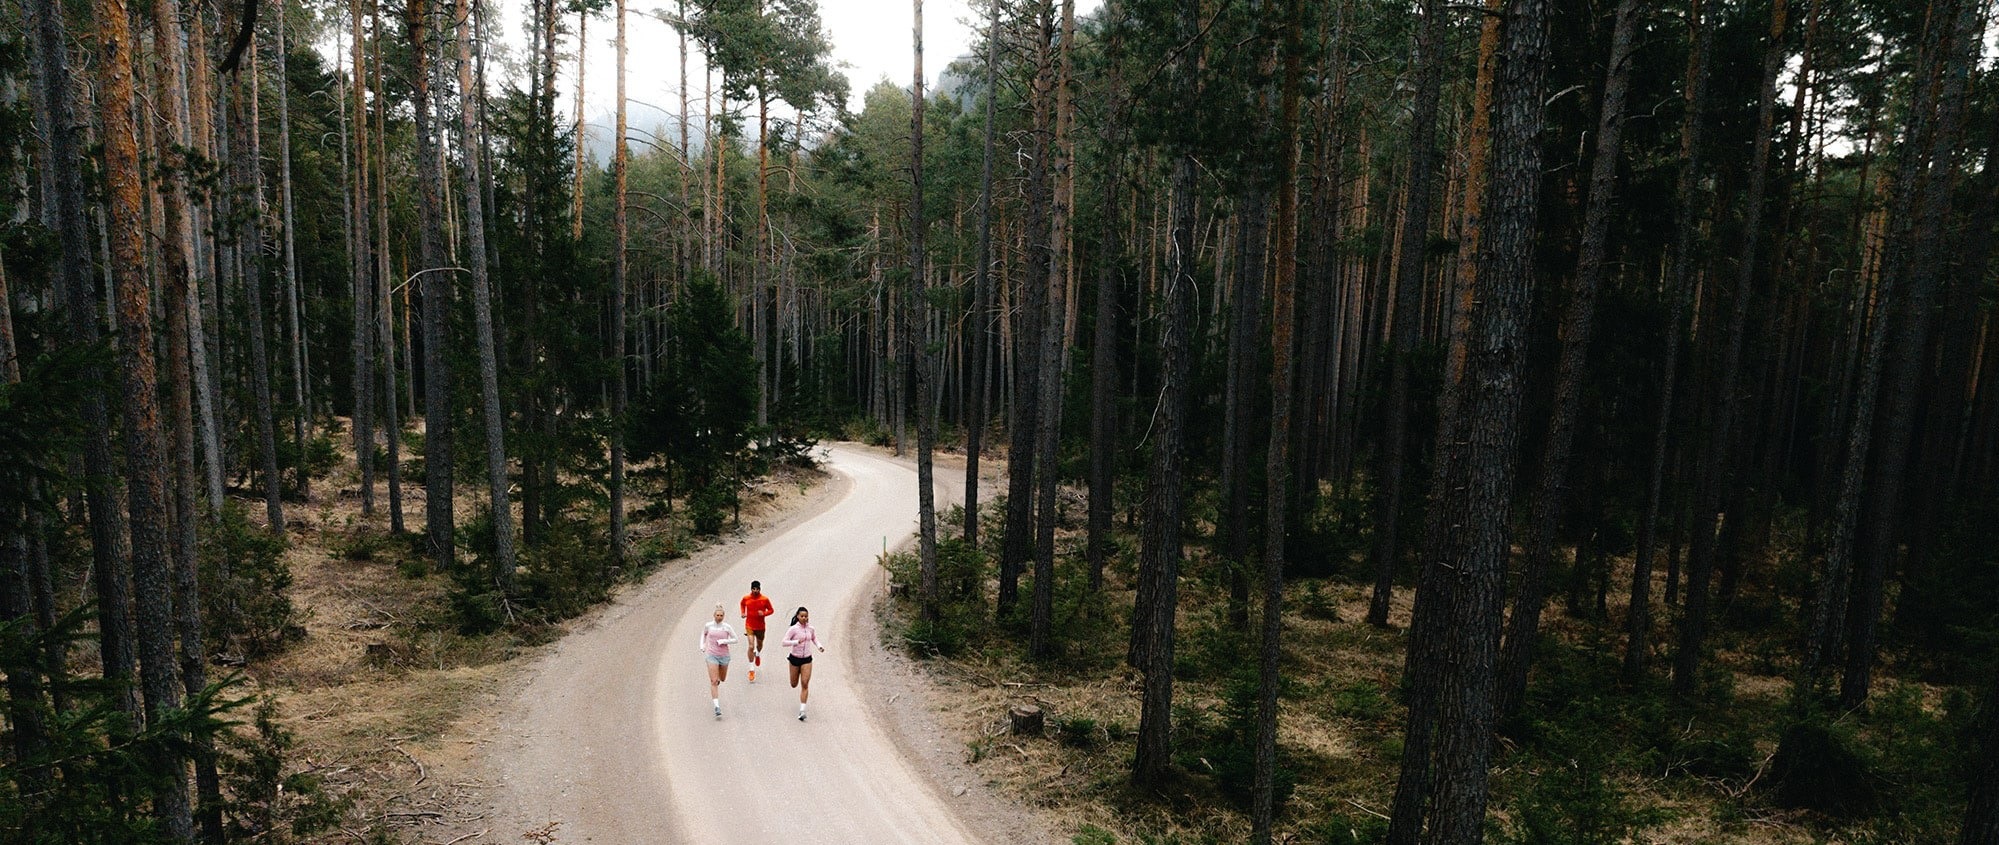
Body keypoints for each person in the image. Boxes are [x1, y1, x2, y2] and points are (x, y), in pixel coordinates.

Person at [781, 607, 826, 721]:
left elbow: (814, 638)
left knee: (805, 683)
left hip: (807, 658)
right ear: (797, 617)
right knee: (794, 683)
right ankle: (802, 708)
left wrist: (819, 646)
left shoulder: (811, 628)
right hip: (795, 658)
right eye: (802, 616)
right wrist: (796, 642)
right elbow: (784, 642)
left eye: (806, 616)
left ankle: (802, 711)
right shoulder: (793, 629)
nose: (804, 618)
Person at [699, 604, 737, 717]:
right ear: (714, 615)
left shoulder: (727, 627)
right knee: (714, 681)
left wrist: (725, 641)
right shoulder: (708, 625)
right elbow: (703, 634)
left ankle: (719, 678)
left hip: (724, 655)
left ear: (723, 616)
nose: (719, 617)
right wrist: (702, 645)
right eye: (717, 615)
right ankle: (717, 706)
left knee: (722, 678)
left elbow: (736, 639)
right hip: (711, 655)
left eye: (721, 615)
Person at [739, 581, 776, 682]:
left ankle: (758, 653)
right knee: (751, 646)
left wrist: (763, 613)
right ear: (751, 589)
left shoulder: (764, 599)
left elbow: (772, 610)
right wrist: (743, 612)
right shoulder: (746, 598)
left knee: (759, 645)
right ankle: (751, 669)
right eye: (753, 589)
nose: (755, 591)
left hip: (760, 626)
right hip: (749, 625)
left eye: (757, 589)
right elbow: (742, 604)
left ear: (760, 589)